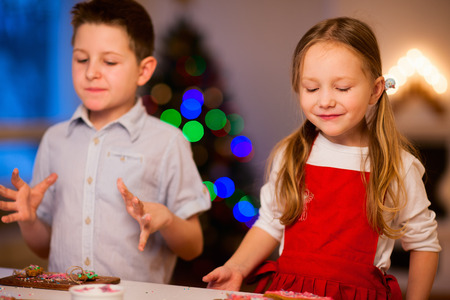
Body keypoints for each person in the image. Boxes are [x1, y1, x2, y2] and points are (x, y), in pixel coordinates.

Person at [202, 17, 441, 300]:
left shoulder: (396, 166)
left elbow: (424, 243)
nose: (325, 100)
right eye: (312, 89)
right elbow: (269, 223)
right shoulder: (290, 155)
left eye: (342, 88)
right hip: (287, 293)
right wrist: (236, 267)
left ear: (375, 90)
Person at [0, 0, 210, 284]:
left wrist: (168, 219)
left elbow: (193, 247)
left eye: (109, 61)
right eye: (82, 59)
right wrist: (29, 219)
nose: (91, 72)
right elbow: (44, 247)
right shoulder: (55, 140)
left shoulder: (168, 142)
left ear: (143, 71)